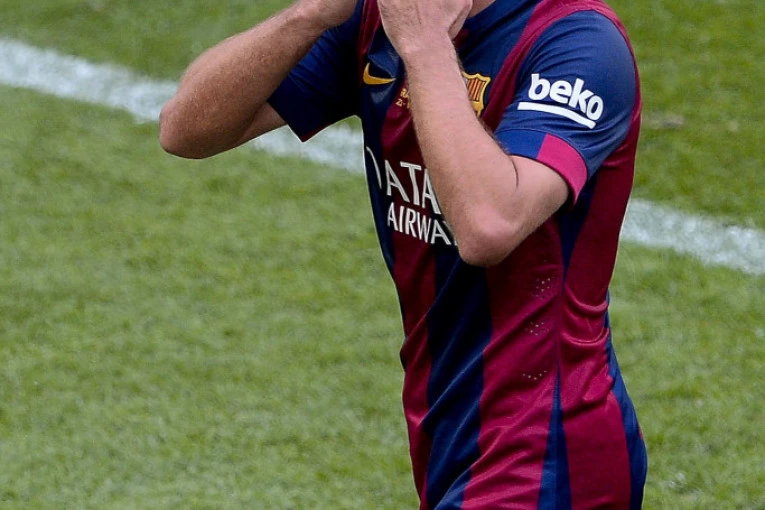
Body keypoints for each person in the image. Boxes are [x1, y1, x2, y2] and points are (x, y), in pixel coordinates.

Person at [159, 0, 648, 507]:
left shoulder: (580, 43)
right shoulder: (377, 20)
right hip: (450, 432)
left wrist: (425, 46)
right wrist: (310, 14)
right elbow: (185, 130)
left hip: (548, 448)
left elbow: (489, 226)